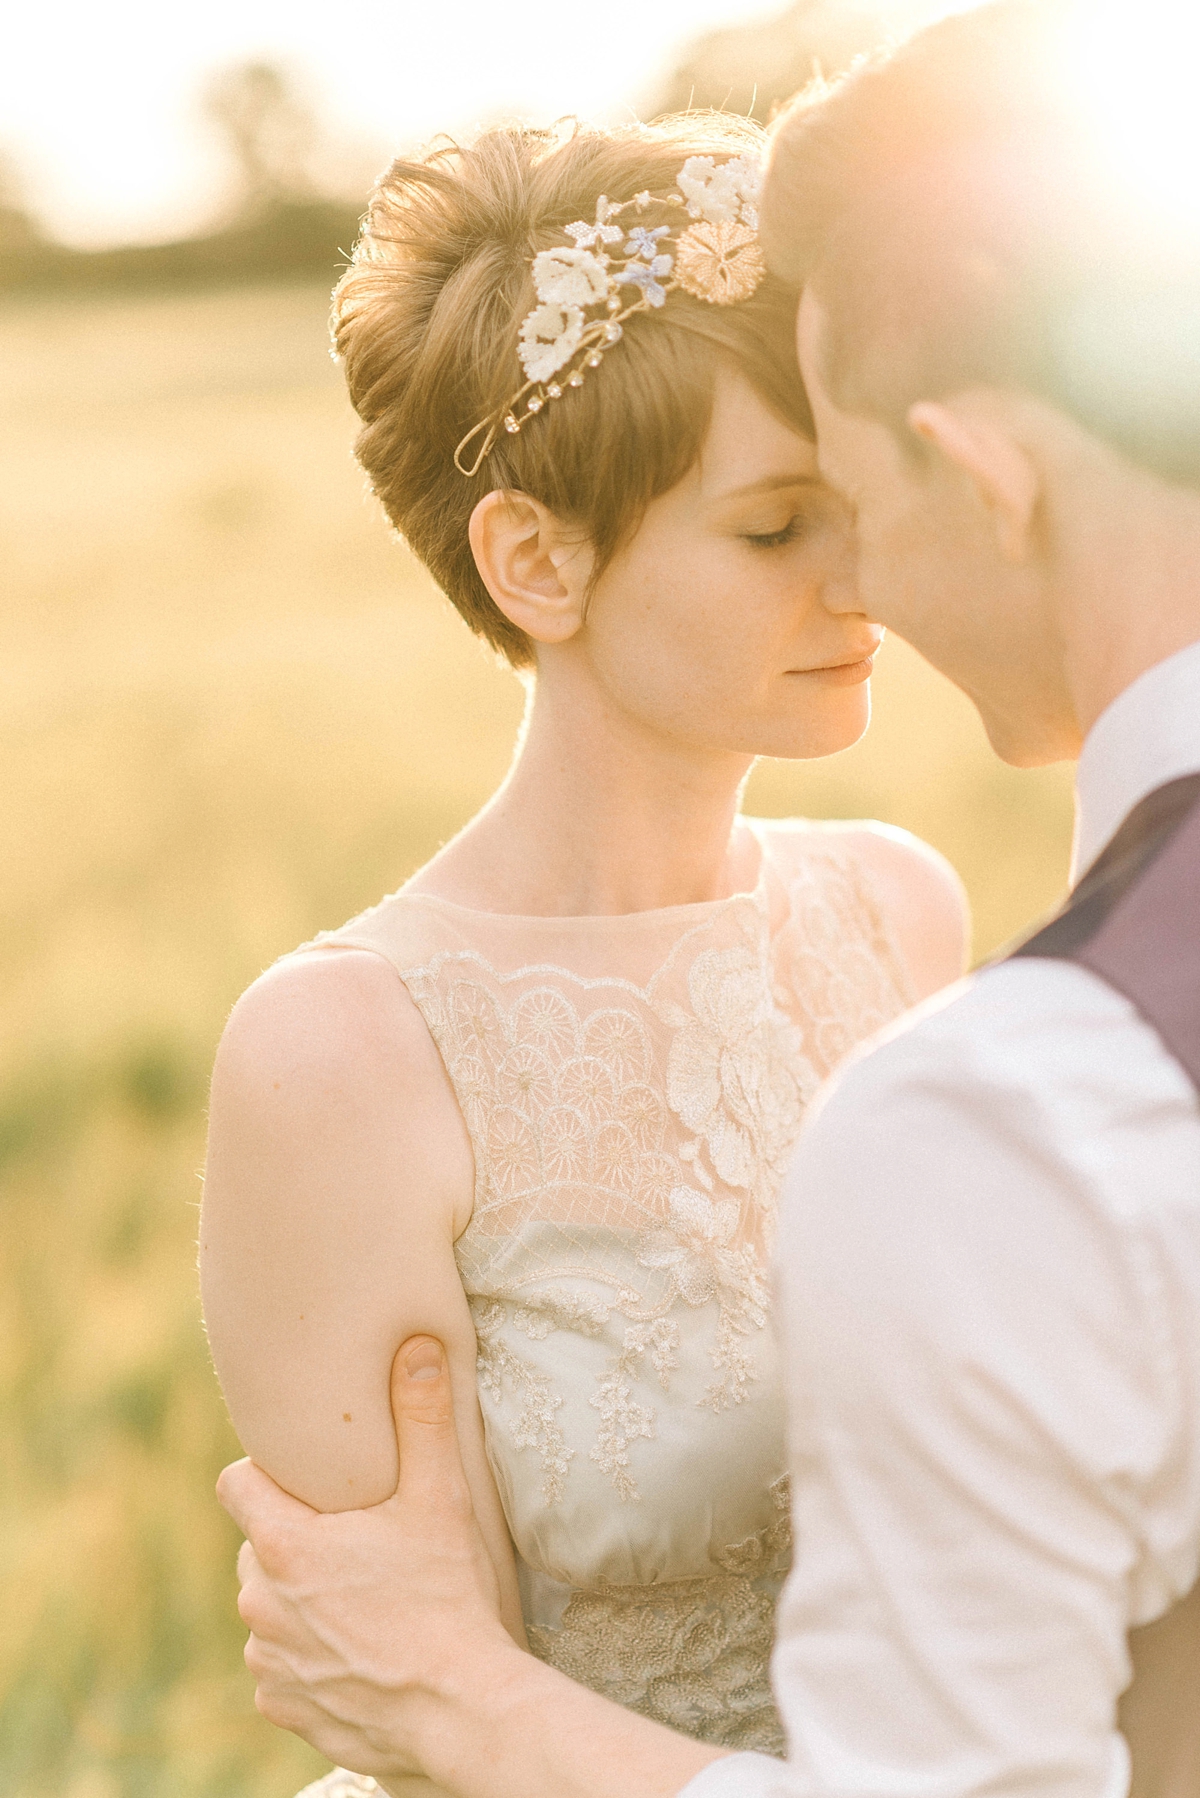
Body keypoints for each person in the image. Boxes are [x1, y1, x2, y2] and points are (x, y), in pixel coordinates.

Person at [217, 4, 1200, 1793]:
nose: (865, 577)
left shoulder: (897, 911)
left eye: (853, 499)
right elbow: (395, 1683)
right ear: (538, 558)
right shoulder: (339, 1054)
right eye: (772, 529)